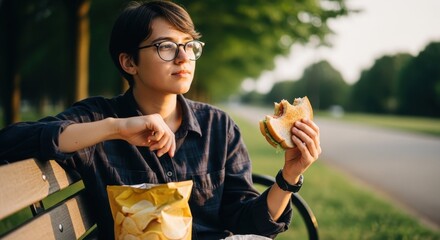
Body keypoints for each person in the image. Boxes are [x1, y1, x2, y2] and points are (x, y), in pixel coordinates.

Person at [0, 1, 321, 239]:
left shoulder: (218, 128)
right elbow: (11, 140)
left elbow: (246, 224)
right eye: (166, 47)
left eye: (189, 46)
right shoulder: (100, 120)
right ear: (129, 62)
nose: (183, 58)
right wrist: (116, 128)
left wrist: (289, 176)